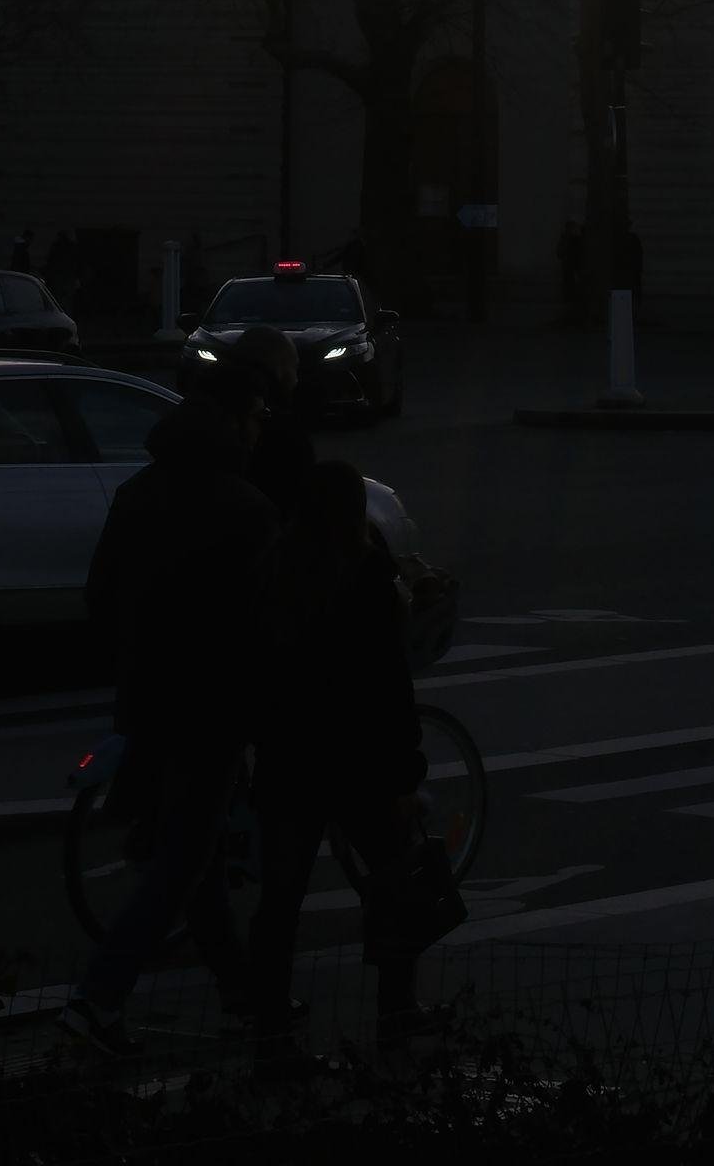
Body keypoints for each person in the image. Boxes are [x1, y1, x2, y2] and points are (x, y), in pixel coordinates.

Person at [64, 365, 276, 1058]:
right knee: (184, 860)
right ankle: (98, 997)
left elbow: (99, 596)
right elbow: (265, 621)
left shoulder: (135, 493)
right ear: (236, 427)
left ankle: (241, 993)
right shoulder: (245, 507)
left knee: (196, 855)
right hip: (212, 707)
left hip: (146, 701)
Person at [246, 459, 430, 1075]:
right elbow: (387, 681)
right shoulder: (366, 572)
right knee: (392, 882)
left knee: (280, 900)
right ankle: (396, 1018)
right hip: (358, 761)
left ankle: (268, 1023)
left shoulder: (275, 570)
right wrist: (406, 772)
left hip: (290, 760)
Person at [233, 325, 318, 520]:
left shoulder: (198, 414)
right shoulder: (282, 432)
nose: (297, 379)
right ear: (280, 370)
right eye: (294, 368)